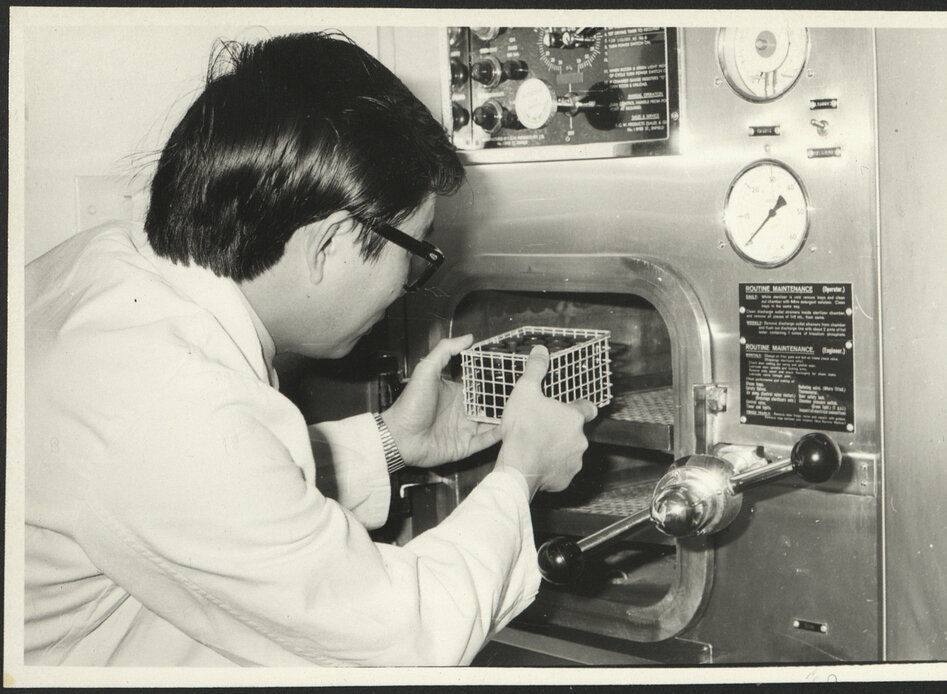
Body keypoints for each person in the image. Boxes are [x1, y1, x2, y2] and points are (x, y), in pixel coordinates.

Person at [24, 31, 596, 666]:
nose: (408, 288)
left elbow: (217, 514)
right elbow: (406, 640)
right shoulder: (174, 408)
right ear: (329, 245)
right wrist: (523, 473)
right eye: (417, 253)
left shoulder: (109, 263)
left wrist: (391, 441)